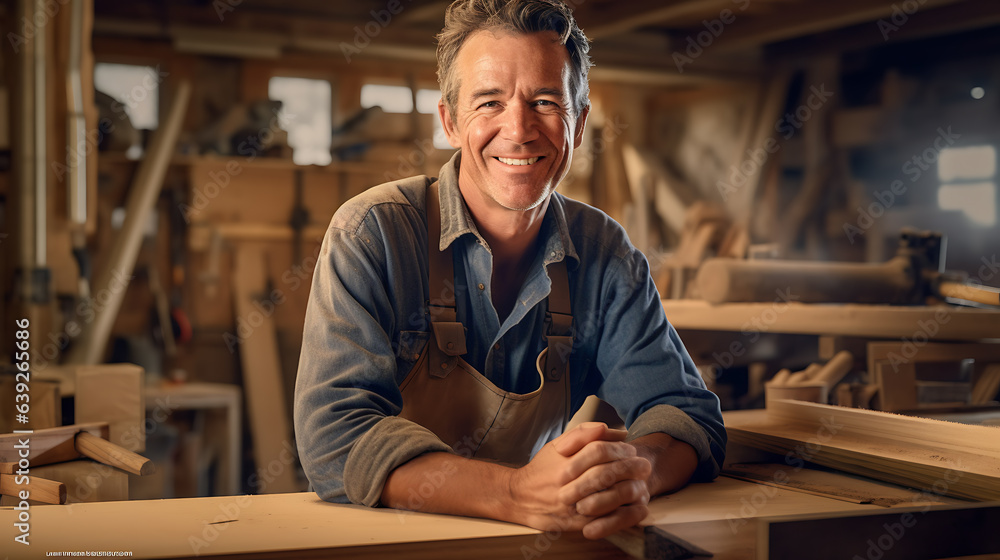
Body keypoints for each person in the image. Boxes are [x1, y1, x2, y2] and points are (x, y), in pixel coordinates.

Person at [294, 0, 726, 540]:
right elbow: (333, 439)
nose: (518, 130)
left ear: (580, 122)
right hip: (384, 542)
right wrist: (515, 493)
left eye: (545, 101)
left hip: (532, 542)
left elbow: (686, 414)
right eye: (489, 102)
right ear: (450, 121)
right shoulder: (372, 234)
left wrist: (636, 472)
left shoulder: (604, 254)